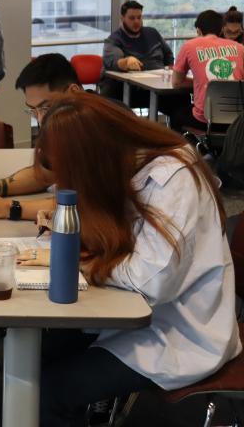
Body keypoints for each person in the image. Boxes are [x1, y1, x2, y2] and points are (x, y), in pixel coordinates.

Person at [15, 92, 241, 427]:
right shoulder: (124, 165)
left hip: (180, 334)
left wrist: (85, 263)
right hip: (135, 315)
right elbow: (112, 236)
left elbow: (152, 280)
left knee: (50, 390)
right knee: (36, 353)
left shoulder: (172, 178)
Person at [0, 53, 81, 221]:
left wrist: (7, 208)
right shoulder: (63, 125)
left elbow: (82, 206)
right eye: (33, 110)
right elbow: (44, 174)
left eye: (46, 107)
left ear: (73, 92)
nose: (40, 119)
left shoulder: (100, 126)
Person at [171, 9, 244, 131]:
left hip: (204, 120)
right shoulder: (240, 48)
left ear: (198, 30)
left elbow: (176, 83)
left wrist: (202, 82)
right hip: (237, 122)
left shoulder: (189, 45)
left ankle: (193, 149)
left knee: (175, 115)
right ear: (221, 29)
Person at [99, 0, 174, 97]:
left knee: (181, 99)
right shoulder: (114, 39)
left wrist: (169, 69)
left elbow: (168, 55)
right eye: (132, 18)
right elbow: (114, 61)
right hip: (130, 88)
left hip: (157, 85)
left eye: (139, 17)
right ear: (122, 18)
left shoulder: (152, 33)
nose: (136, 21)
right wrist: (126, 61)